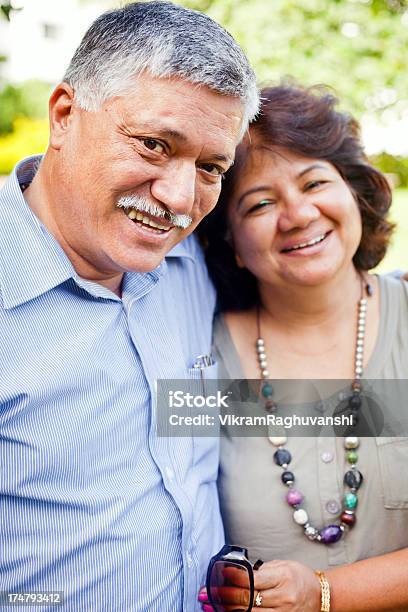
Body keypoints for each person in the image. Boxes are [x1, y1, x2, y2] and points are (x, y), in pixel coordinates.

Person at [0, 3, 259, 610]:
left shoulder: (199, 263)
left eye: (209, 167)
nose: (177, 196)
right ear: (65, 115)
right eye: (152, 145)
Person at [199, 84, 408, 611]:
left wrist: (323, 595)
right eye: (260, 203)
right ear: (232, 244)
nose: (297, 215)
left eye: (314, 182)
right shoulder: (199, 357)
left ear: (355, 193)